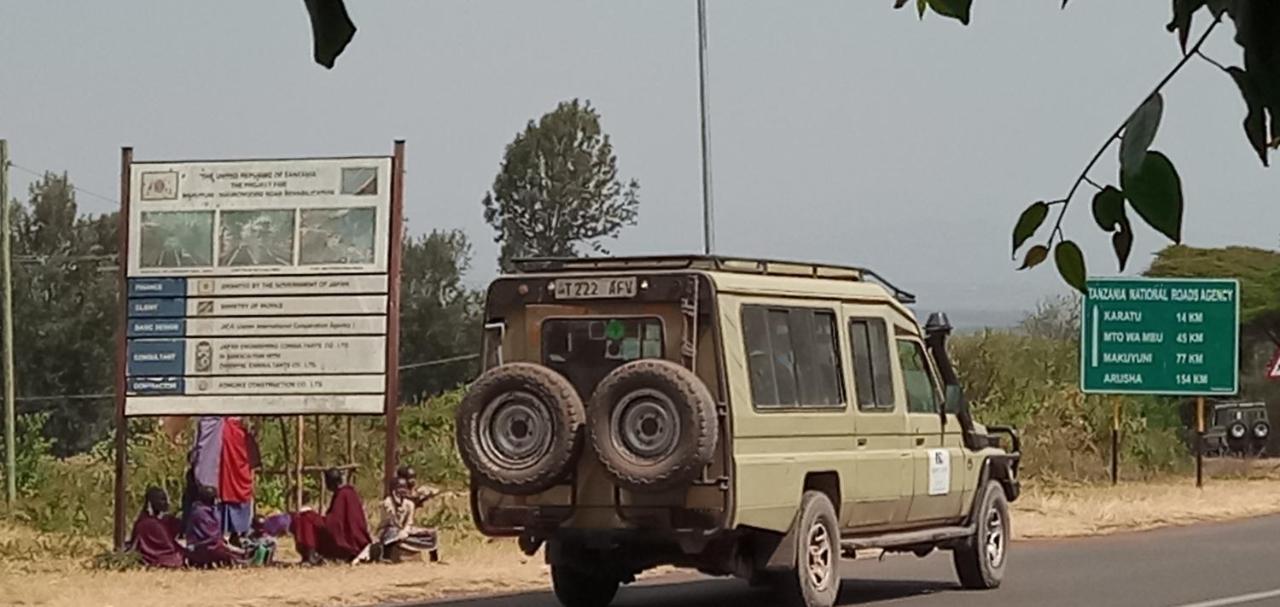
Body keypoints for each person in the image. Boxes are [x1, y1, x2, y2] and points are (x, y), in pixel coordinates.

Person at [290, 469, 372, 564]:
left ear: (332, 482)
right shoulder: (349, 493)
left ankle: (311, 556)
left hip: (344, 541)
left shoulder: (343, 494)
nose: (326, 484)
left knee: (304, 518)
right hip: (354, 539)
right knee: (307, 516)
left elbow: (334, 523)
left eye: (327, 481)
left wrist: (311, 515)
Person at [376, 477, 439, 563]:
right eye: (398, 488)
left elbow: (409, 522)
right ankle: (386, 556)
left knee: (431, 533)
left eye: (403, 488)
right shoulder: (387, 503)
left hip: (405, 531)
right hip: (389, 530)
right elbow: (390, 522)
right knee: (392, 534)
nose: (401, 491)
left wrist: (405, 531)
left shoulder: (409, 504)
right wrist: (399, 532)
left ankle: (433, 556)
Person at [184, 484, 244, 568]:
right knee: (231, 555)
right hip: (202, 547)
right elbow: (211, 537)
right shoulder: (200, 513)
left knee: (233, 552)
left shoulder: (207, 510)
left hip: (208, 546)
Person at [126, 486, 184, 569]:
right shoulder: (151, 524)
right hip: (162, 557)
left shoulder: (155, 521)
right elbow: (169, 547)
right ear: (152, 502)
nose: (167, 503)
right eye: (162, 499)